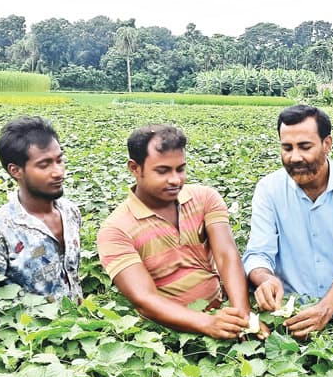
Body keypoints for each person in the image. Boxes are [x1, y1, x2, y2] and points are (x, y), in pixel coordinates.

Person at [96, 125, 259, 340]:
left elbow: (226, 255)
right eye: (162, 171)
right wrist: (207, 323)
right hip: (167, 337)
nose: (175, 180)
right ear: (135, 168)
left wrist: (242, 318)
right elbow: (144, 300)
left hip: (222, 315)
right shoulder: (115, 230)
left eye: (180, 169)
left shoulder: (204, 198)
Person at [243, 105, 333, 339]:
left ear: (327, 144)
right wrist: (265, 279)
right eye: (287, 148)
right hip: (289, 314)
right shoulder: (269, 189)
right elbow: (257, 253)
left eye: (305, 147)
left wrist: (325, 308)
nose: (295, 157)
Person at [0, 116, 82, 301]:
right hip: (27, 328)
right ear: (15, 171)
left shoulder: (70, 213)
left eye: (59, 160)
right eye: (44, 165)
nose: (58, 172)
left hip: (78, 326)